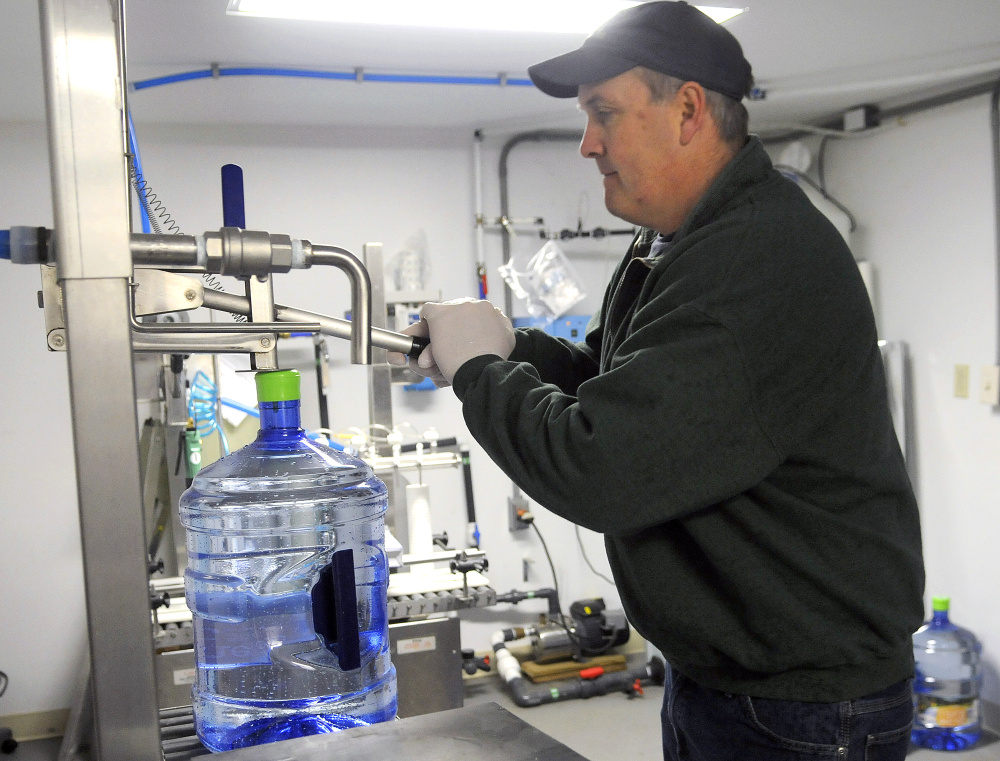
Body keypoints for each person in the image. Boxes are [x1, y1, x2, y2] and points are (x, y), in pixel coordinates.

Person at [388, 3, 925, 759]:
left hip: (804, 703)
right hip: (724, 672)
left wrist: (481, 372)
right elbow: (614, 382)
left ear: (688, 110)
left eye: (603, 112)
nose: (586, 144)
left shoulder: (757, 256)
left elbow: (601, 463)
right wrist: (512, 345)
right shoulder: (678, 241)